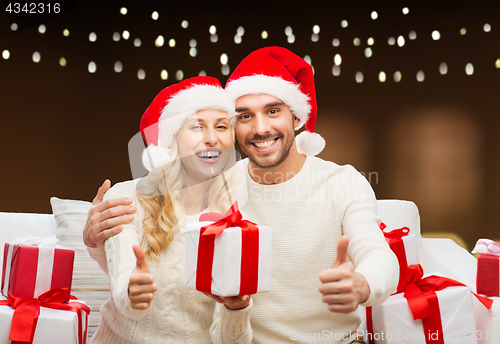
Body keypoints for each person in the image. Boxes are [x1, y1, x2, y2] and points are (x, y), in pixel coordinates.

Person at [85, 47, 399, 344]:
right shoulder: (216, 185)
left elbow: (376, 252)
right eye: (245, 116)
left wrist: (363, 284)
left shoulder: (342, 182)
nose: (260, 129)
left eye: (273, 111)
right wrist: (96, 241)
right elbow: (157, 251)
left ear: (296, 117)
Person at [87, 76, 253, 344]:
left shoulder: (238, 214)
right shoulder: (128, 196)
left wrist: (236, 308)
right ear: (173, 139)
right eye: (197, 127)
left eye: (221, 127)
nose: (211, 138)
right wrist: (133, 293)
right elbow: (123, 288)